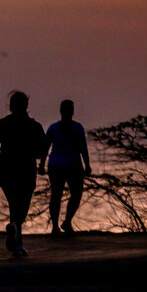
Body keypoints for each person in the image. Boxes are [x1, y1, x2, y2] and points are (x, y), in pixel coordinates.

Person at [0, 91, 47, 257]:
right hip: (26, 171)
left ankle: (16, 234)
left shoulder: (0, 125)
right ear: (26, 105)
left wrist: (1, 163)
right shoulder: (35, 127)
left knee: (14, 204)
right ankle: (17, 238)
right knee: (22, 206)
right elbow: (42, 150)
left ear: (11, 106)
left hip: (7, 172)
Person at [40, 100, 91, 237]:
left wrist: (41, 165)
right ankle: (61, 223)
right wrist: (87, 165)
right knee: (69, 194)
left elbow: (45, 148)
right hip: (67, 164)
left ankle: (60, 224)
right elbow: (83, 149)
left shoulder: (56, 128)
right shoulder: (73, 128)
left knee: (60, 195)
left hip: (60, 164)